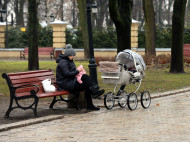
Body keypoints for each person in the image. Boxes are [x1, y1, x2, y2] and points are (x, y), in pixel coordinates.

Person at [56, 44, 105, 111]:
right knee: (85, 78)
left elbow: (71, 72)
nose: (74, 57)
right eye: (73, 55)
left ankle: (90, 105)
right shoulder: (63, 62)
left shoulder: (69, 61)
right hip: (65, 84)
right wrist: (77, 71)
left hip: (71, 81)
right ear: (68, 55)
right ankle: (94, 92)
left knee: (86, 83)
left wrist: (78, 70)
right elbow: (67, 74)